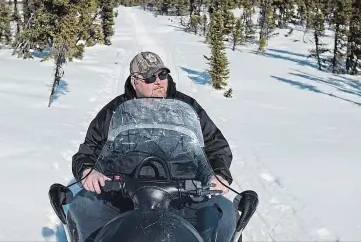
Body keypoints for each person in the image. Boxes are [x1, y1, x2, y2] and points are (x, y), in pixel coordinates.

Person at [68, 51, 237, 242]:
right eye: (150, 77)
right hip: (124, 196)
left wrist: (219, 174)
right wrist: (88, 171)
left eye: (162, 75)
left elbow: (216, 144)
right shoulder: (114, 111)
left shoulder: (188, 107)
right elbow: (88, 149)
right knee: (82, 210)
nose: (159, 81)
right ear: (135, 81)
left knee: (225, 219)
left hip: (183, 195)